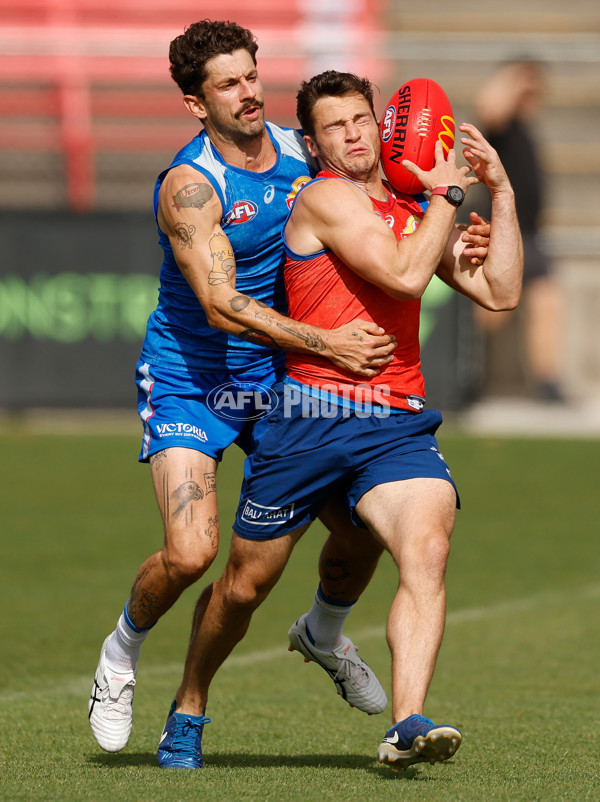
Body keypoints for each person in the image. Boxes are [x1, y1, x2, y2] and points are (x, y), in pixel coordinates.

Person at [157, 71, 522, 771]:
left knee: (427, 549)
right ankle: (191, 702)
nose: (353, 134)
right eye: (334, 126)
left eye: (361, 119)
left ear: (381, 124)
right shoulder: (325, 198)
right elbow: (407, 276)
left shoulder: (417, 206)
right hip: (311, 416)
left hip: (396, 421)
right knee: (243, 586)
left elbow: (500, 291)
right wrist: (447, 196)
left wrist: (499, 192)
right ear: (317, 145)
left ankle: (406, 722)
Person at [88, 20, 404, 755]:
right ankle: (121, 651)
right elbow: (222, 306)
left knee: (365, 530)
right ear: (197, 104)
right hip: (192, 380)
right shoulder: (192, 186)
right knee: (193, 553)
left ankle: (322, 634)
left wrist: (456, 239)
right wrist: (328, 341)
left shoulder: (303, 150)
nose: (249, 93)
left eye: (251, 75)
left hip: (282, 379)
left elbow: (382, 207)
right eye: (228, 84)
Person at [474, 58, 565, 402]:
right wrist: (512, 77)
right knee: (488, 312)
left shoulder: (525, 127)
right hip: (502, 232)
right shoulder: (502, 125)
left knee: (548, 302)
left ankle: (547, 382)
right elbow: (489, 105)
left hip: (531, 235)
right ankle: (460, 374)